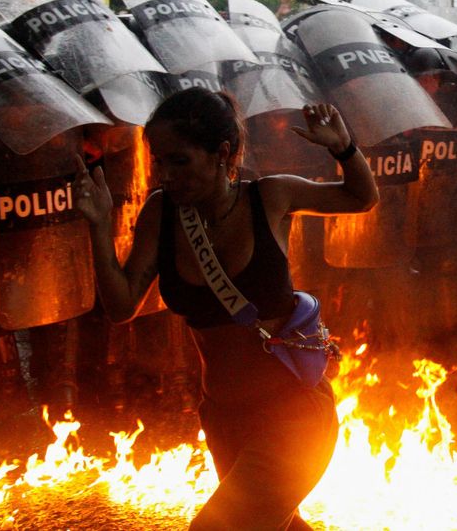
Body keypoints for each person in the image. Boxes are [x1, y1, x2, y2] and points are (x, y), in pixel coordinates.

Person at [78, 90, 378, 531]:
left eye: (179, 161)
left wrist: (343, 148)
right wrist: (100, 227)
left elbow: (360, 199)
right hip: (223, 417)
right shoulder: (161, 212)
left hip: (294, 416)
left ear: (221, 154)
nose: (166, 174)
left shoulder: (271, 197)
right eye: (159, 161)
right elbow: (122, 306)